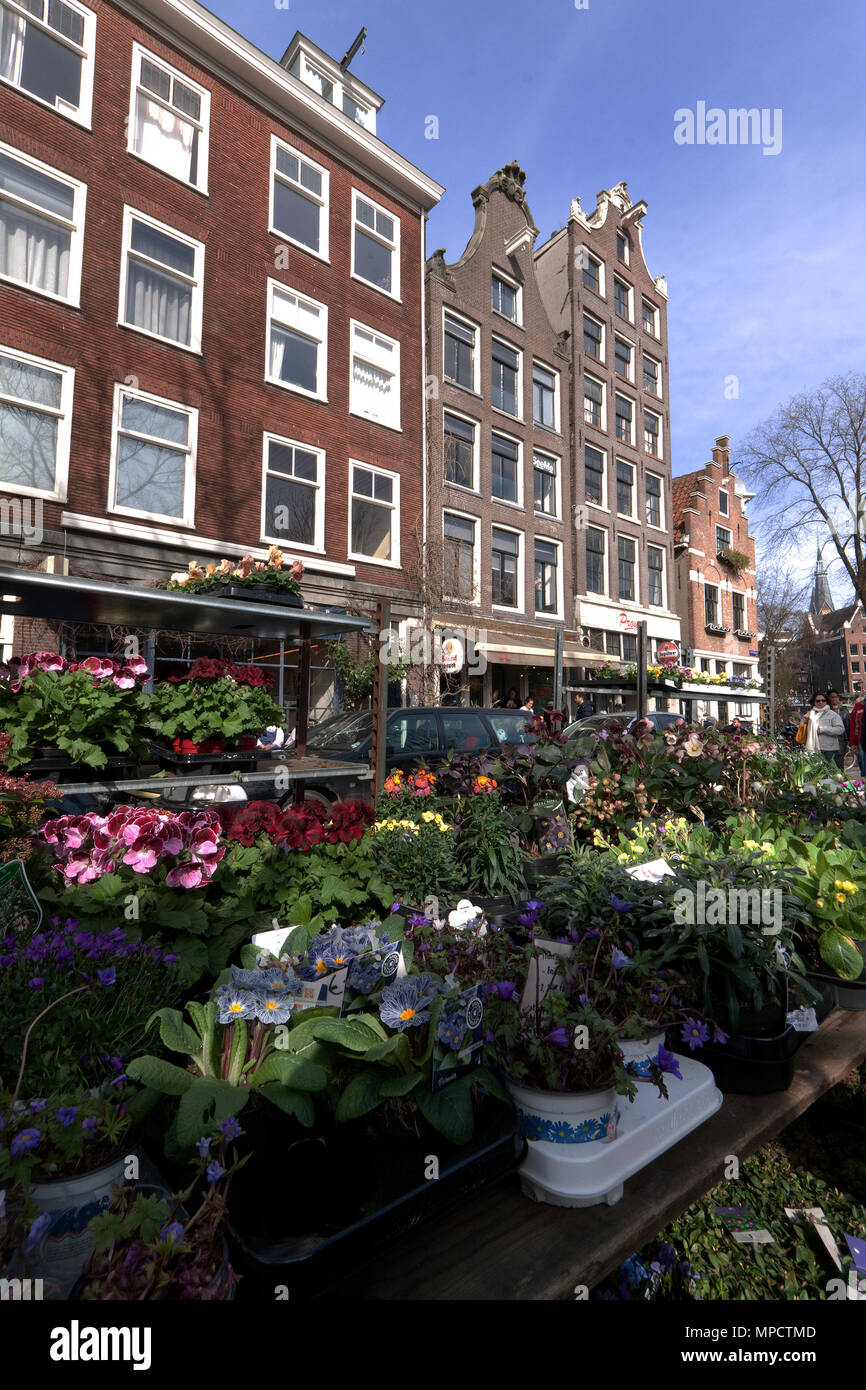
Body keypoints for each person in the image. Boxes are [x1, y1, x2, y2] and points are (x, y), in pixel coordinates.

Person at [804, 692, 846, 764]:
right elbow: (802, 729)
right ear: (814, 702)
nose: (821, 702)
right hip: (813, 749)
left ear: (827, 702)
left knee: (831, 772)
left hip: (829, 749)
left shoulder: (832, 714)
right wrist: (806, 721)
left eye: (823, 700)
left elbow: (840, 729)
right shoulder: (809, 714)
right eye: (818, 701)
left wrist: (823, 729)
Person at [827, 689, 849, 768]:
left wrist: (848, 741)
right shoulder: (826, 712)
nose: (834, 699)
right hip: (829, 742)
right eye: (832, 697)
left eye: (836, 697)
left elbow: (848, 727)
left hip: (842, 742)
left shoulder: (844, 711)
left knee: (840, 764)